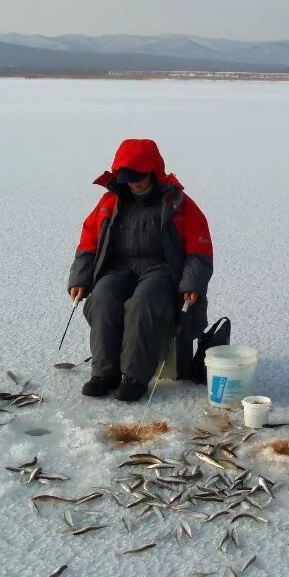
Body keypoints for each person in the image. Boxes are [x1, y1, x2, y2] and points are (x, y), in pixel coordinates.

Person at [67, 139, 213, 401]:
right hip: (118, 267)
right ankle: (104, 373)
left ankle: (134, 377)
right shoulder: (110, 201)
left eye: (139, 177)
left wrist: (193, 283)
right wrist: (80, 278)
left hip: (161, 270)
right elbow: (89, 240)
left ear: (154, 172)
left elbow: (199, 249)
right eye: (127, 177)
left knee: (143, 303)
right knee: (102, 297)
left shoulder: (178, 203)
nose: (134, 183)